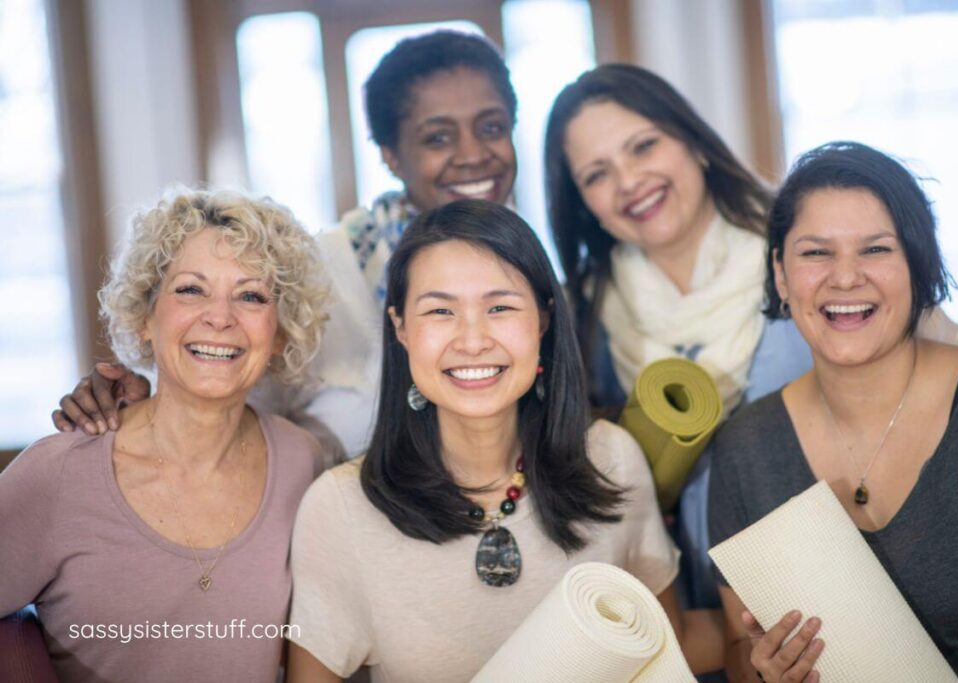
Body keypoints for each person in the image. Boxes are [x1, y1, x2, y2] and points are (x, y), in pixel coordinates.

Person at [542, 62, 958, 609]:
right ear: (582, 201)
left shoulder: (807, 253)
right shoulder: (585, 314)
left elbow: (936, 334)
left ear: (693, 142)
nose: (629, 182)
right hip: (690, 600)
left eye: (643, 146)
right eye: (596, 174)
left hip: (840, 592)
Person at [285, 200, 723, 682]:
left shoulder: (611, 459)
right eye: (440, 310)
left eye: (499, 307)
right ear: (401, 329)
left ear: (544, 319)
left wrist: (761, 643)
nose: (472, 340)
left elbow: (666, 648)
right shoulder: (341, 507)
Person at [51, 30, 519, 462]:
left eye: (492, 127)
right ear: (391, 156)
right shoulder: (322, 269)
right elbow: (219, 386)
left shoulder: (530, 272)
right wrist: (138, 402)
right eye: (437, 137)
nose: (474, 153)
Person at [708, 142, 958, 682]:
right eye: (815, 253)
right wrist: (764, 672)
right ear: (782, 276)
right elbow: (740, 647)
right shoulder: (745, 447)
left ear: (918, 266)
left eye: (875, 250)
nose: (846, 278)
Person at [0, 189, 331, 682]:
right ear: (144, 317)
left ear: (279, 333)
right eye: (191, 290)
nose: (220, 317)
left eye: (251, 295)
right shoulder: (60, 473)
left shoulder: (302, 460)